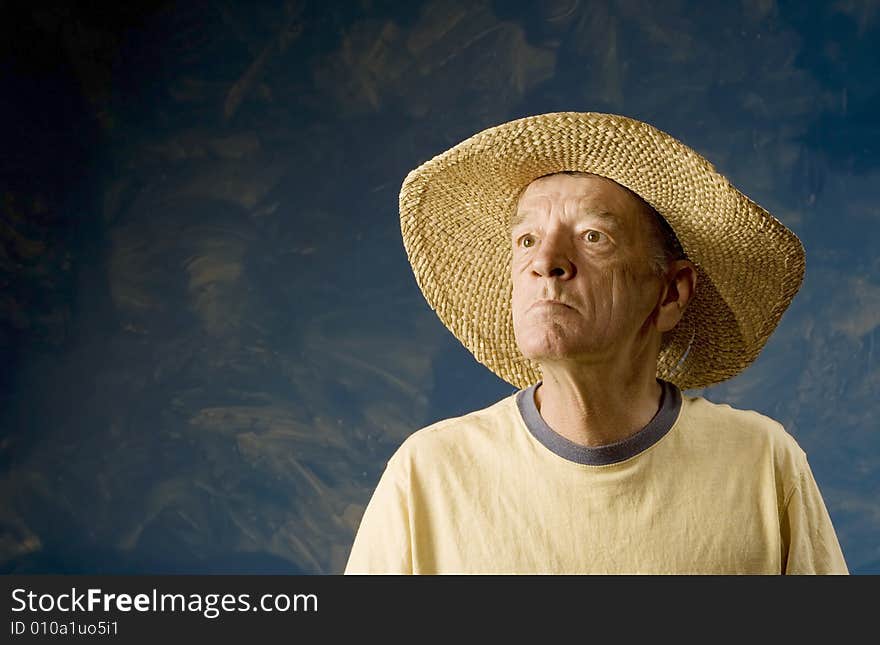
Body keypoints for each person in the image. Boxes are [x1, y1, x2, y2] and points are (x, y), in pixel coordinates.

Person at [344, 112, 848, 574]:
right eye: (526, 240)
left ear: (671, 293)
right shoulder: (429, 473)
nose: (547, 260)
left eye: (592, 237)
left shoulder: (762, 462)